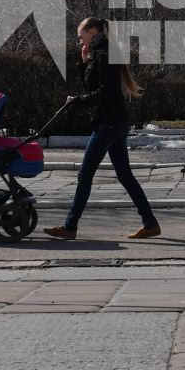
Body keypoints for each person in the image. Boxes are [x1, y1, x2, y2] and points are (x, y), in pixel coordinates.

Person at [42, 16, 160, 241]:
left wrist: (77, 101)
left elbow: (104, 92)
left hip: (108, 123)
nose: (79, 41)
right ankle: (150, 223)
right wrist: (85, 63)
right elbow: (96, 87)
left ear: (93, 32)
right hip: (115, 121)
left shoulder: (104, 55)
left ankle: (70, 227)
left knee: (85, 174)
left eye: (81, 36)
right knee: (125, 175)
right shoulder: (101, 53)